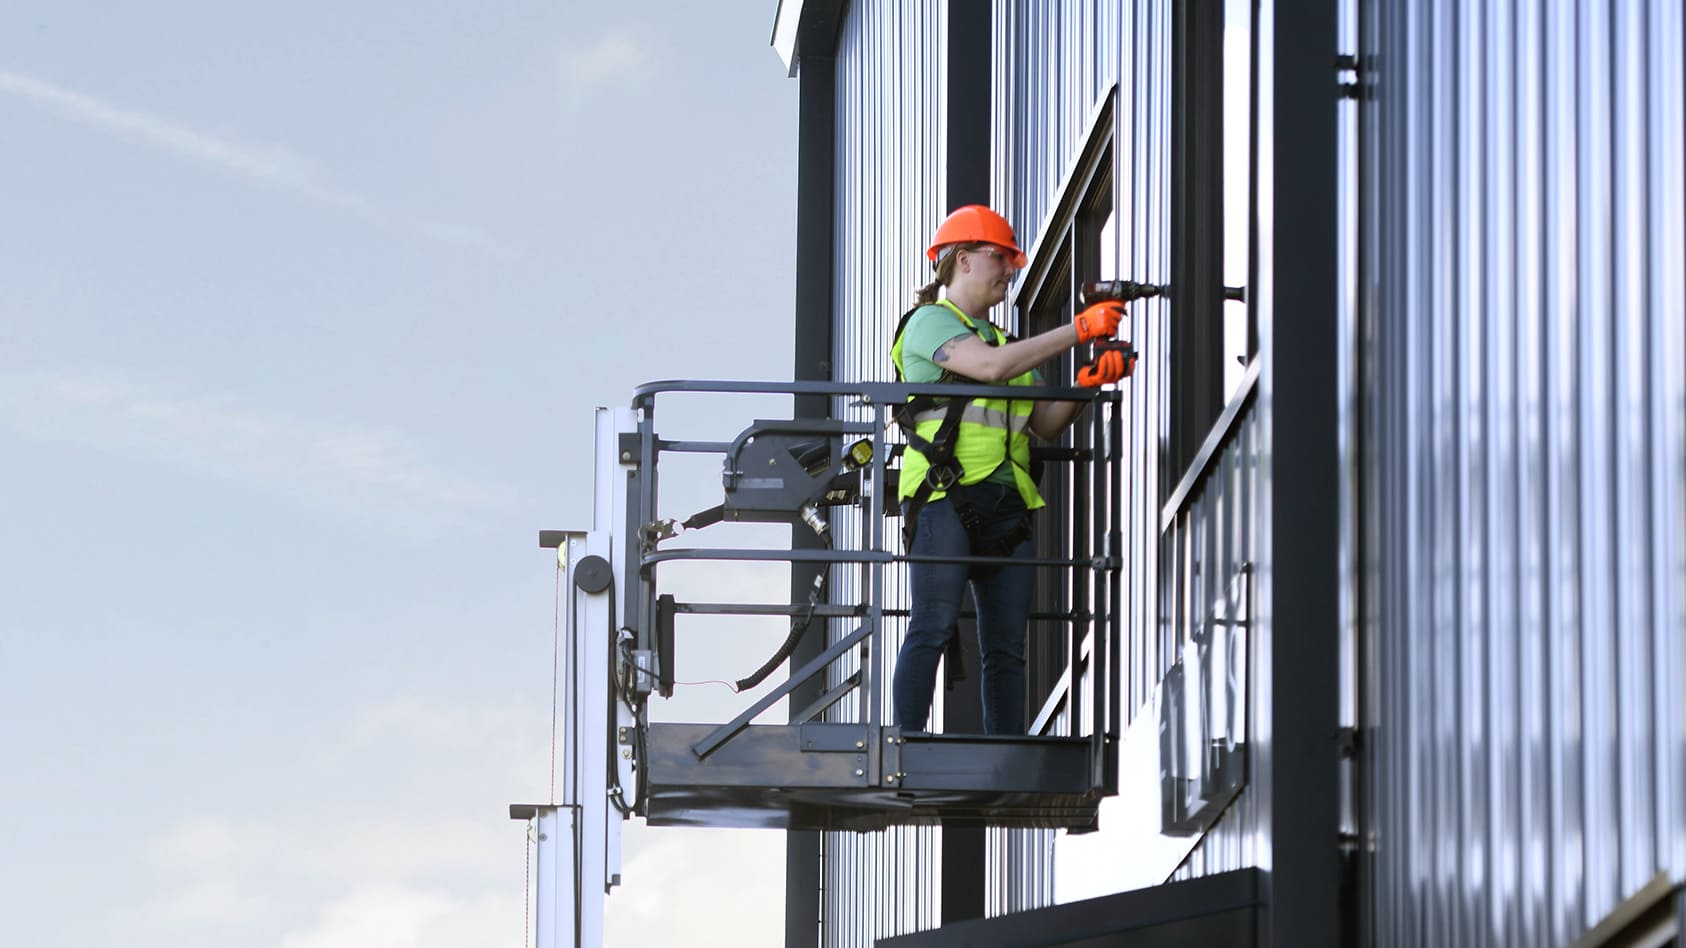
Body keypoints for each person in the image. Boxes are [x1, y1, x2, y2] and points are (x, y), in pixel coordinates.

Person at [890, 204, 1128, 735]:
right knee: (932, 623)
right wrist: (1080, 329)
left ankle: (1005, 748)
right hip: (944, 495)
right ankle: (906, 741)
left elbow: (1044, 423)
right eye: (999, 257)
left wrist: (1089, 382)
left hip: (1008, 506)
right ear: (962, 260)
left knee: (1007, 647)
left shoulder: (1004, 342)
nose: (1010, 269)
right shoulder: (930, 323)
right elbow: (990, 369)